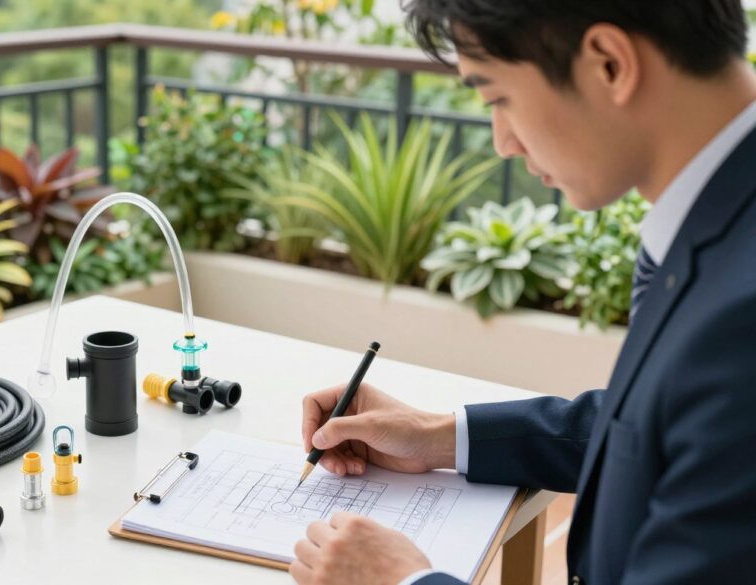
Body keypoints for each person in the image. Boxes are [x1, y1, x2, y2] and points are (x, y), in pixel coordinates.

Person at [289, 1, 756, 584]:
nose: (502, 142)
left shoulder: (742, 316)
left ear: (609, 64)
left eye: (497, 98)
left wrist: (404, 582)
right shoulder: (716, 216)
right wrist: (437, 437)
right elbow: (669, 431)